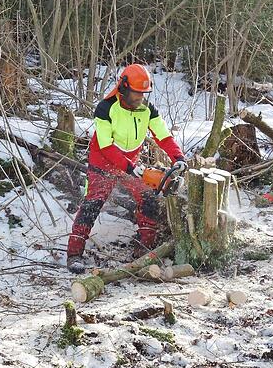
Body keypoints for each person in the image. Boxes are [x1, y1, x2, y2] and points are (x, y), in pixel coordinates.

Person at [66, 64, 187, 274]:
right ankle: (74, 254)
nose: (139, 98)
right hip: (103, 162)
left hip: (131, 163)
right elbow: (105, 145)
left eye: (142, 94)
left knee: (148, 198)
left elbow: (164, 135)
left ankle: (143, 252)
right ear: (123, 88)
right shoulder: (106, 108)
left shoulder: (147, 110)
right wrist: (130, 167)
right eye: (135, 93)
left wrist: (178, 157)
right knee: (92, 204)